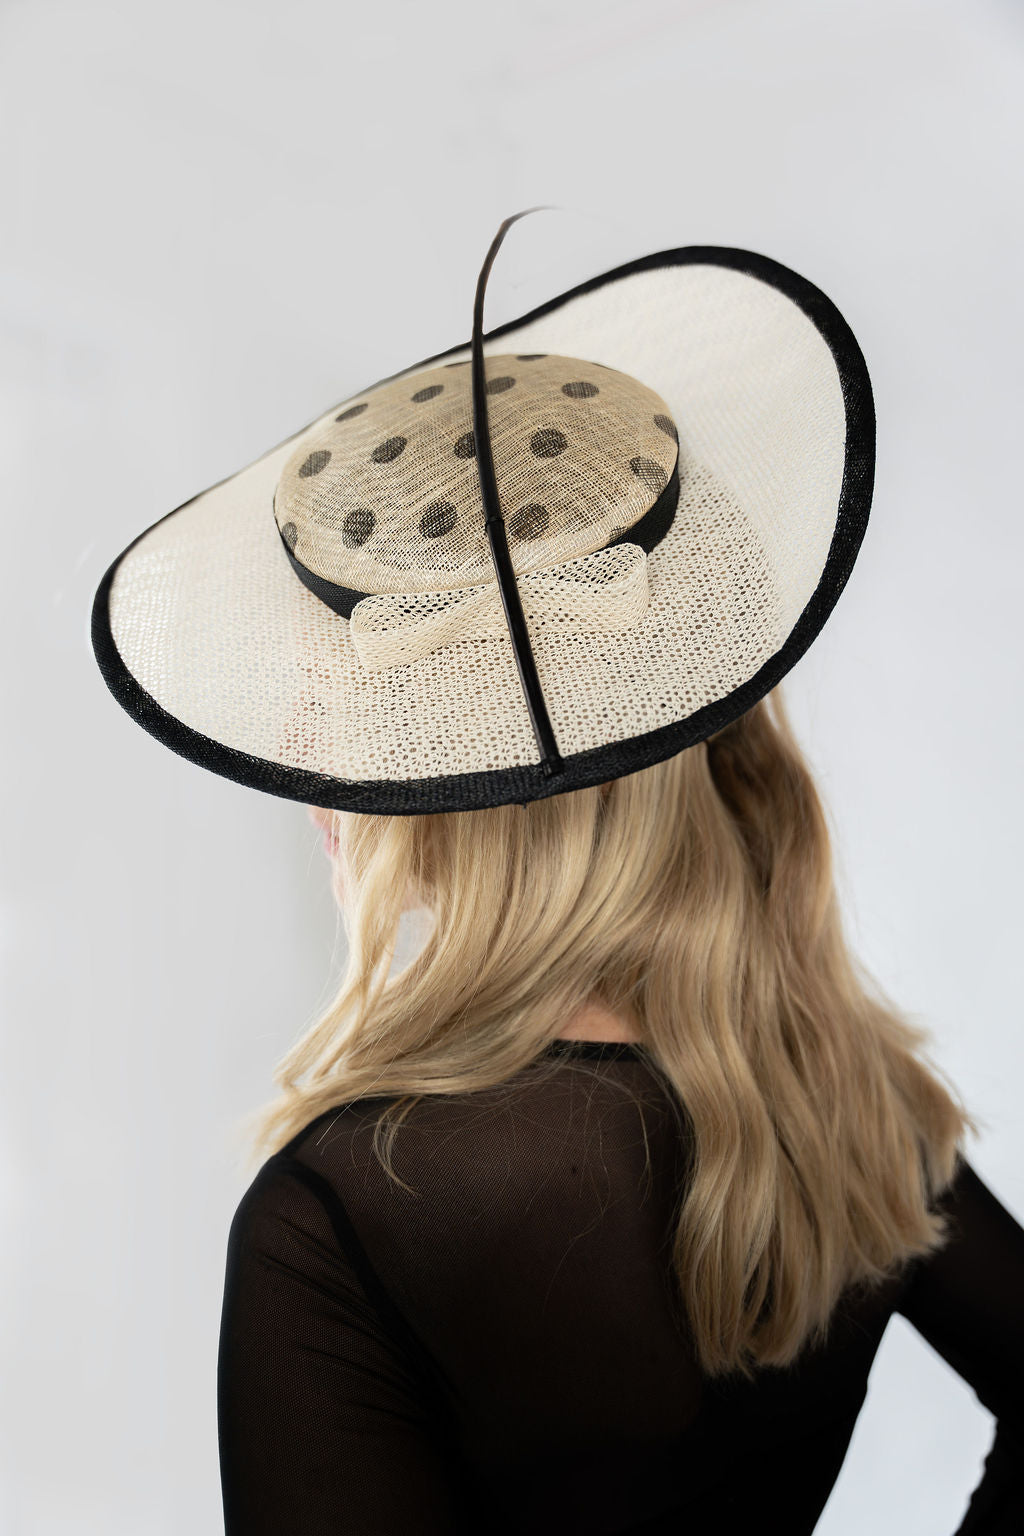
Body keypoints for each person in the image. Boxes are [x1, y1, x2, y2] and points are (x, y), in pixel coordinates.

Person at [90, 212, 1023, 1532]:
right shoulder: (844, 1106)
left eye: (337, 740)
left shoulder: (345, 1216)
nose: (307, 774)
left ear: (429, 804)